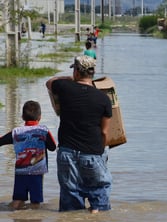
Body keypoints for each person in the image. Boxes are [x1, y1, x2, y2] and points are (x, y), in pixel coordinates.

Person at [46, 55, 113, 213]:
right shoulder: (103, 99)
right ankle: (95, 221)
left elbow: (49, 82)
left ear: (76, 71)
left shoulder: (64, 87)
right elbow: (104, 131)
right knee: (99, 191)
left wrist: (70, 78)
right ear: (92, 73)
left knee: (70, 197)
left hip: (67, 153)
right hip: (92, 152)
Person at [0, 100, 57, 210]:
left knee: (17, 201)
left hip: (21, 171)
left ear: (22, 117)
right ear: (39, 117)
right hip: (37, 172)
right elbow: (53, 147)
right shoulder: (43, 130)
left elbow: (1, 141)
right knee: (35, 203)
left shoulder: (16, 132)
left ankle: (15, 221)